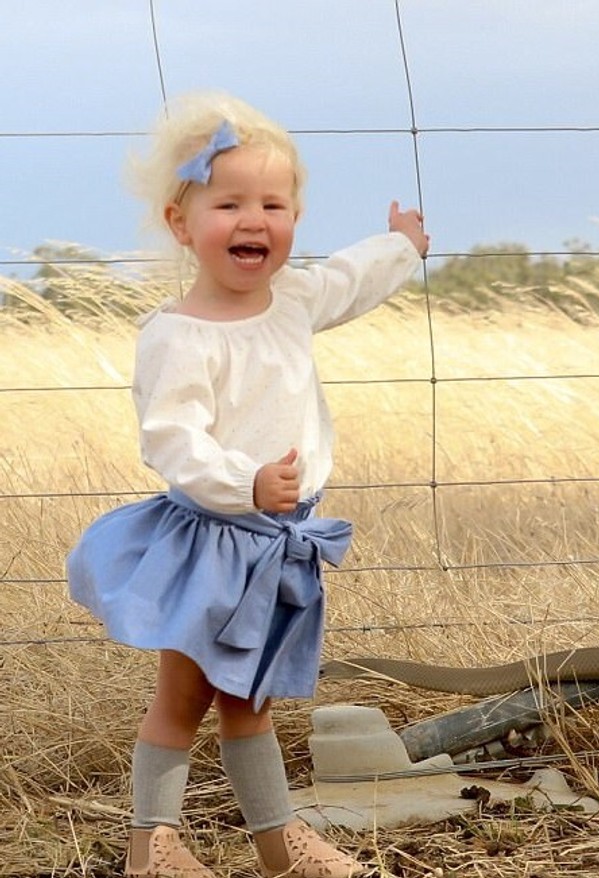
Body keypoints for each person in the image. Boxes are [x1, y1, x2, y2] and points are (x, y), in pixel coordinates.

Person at [66, 91, 429, 878]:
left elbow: (347, 280)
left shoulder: (292, 300)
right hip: (216, 542)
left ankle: (276, 843)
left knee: (248, 701)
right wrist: (246, 481)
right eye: (228, 204)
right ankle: (151, 845)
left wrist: (400, 247)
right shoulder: (179, 335)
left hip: (277, 543)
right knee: (184, 699)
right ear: (180, 223)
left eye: (274, 203)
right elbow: (172, 440)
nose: (254, 220)